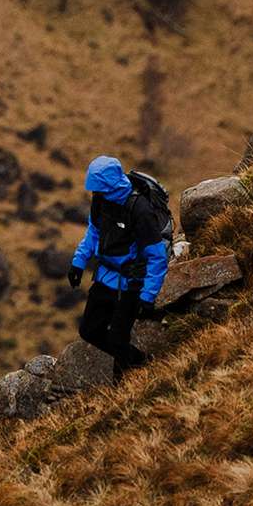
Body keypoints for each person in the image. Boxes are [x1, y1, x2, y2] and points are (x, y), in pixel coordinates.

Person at [66, 154, 170, 376]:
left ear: (109, 186)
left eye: (98, 189)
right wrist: (78, 262)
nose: (95, 194)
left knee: (118, 339)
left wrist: (147, 296)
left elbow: (157, 256)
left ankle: (122, 390)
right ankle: (141, 361)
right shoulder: (101, 200)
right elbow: (93, 232)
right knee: (89, 330)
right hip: (104, 277)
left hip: (131, 283)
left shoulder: (140, 210)